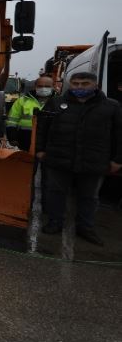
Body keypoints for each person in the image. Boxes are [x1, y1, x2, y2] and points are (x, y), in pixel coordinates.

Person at [36, 71, 122, 245]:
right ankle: (55, 222)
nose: (79, 87)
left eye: (84, 84)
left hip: (94, 160)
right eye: (75, 84)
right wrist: (40, 150)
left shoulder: (111, 106)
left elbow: (119, 135)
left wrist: (118, 159)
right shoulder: (56, 102)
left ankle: (85, 227)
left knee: (89, 196)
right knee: (56, 192)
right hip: (59, 157)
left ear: (95, 85)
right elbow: (42, 127)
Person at [6, 75, 54, 151]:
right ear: (35, 87)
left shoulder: (58, 102)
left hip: (49, 141)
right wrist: (12, 137)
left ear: (53, 87)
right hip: (24, 139)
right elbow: (12, 121)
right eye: (40, 86)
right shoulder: (22, 101)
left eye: (47, 86)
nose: (43, 88)